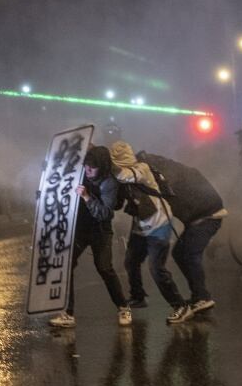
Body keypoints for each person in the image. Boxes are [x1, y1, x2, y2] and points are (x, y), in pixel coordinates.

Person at [132, 150, 228, 313]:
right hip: (202, 216)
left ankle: (203, 297)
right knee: (179, 253)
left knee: (190, 254)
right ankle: (199, 295)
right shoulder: (167, 169)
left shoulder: (164, 177)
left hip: (207, 217)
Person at [110, 140, 193, 325]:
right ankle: (138, 297)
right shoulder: (123, 178)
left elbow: (125, 176)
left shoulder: (142, 168)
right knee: (131, 261)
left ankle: (180, 306)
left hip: (159, 224)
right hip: (140, 224)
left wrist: (107, 165)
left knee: (156, 269)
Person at [49, 145, 131, 328]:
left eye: (92, 168)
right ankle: (68, 314)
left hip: (100, 230)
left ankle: (123, 307)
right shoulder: (81, 172)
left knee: (104, 268)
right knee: (66, 265)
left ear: (101, 166)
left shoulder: (109, 183)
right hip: (79, 228)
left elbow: (104, 213)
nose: (88, 171)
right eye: (86, 166)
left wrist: (87, 197)